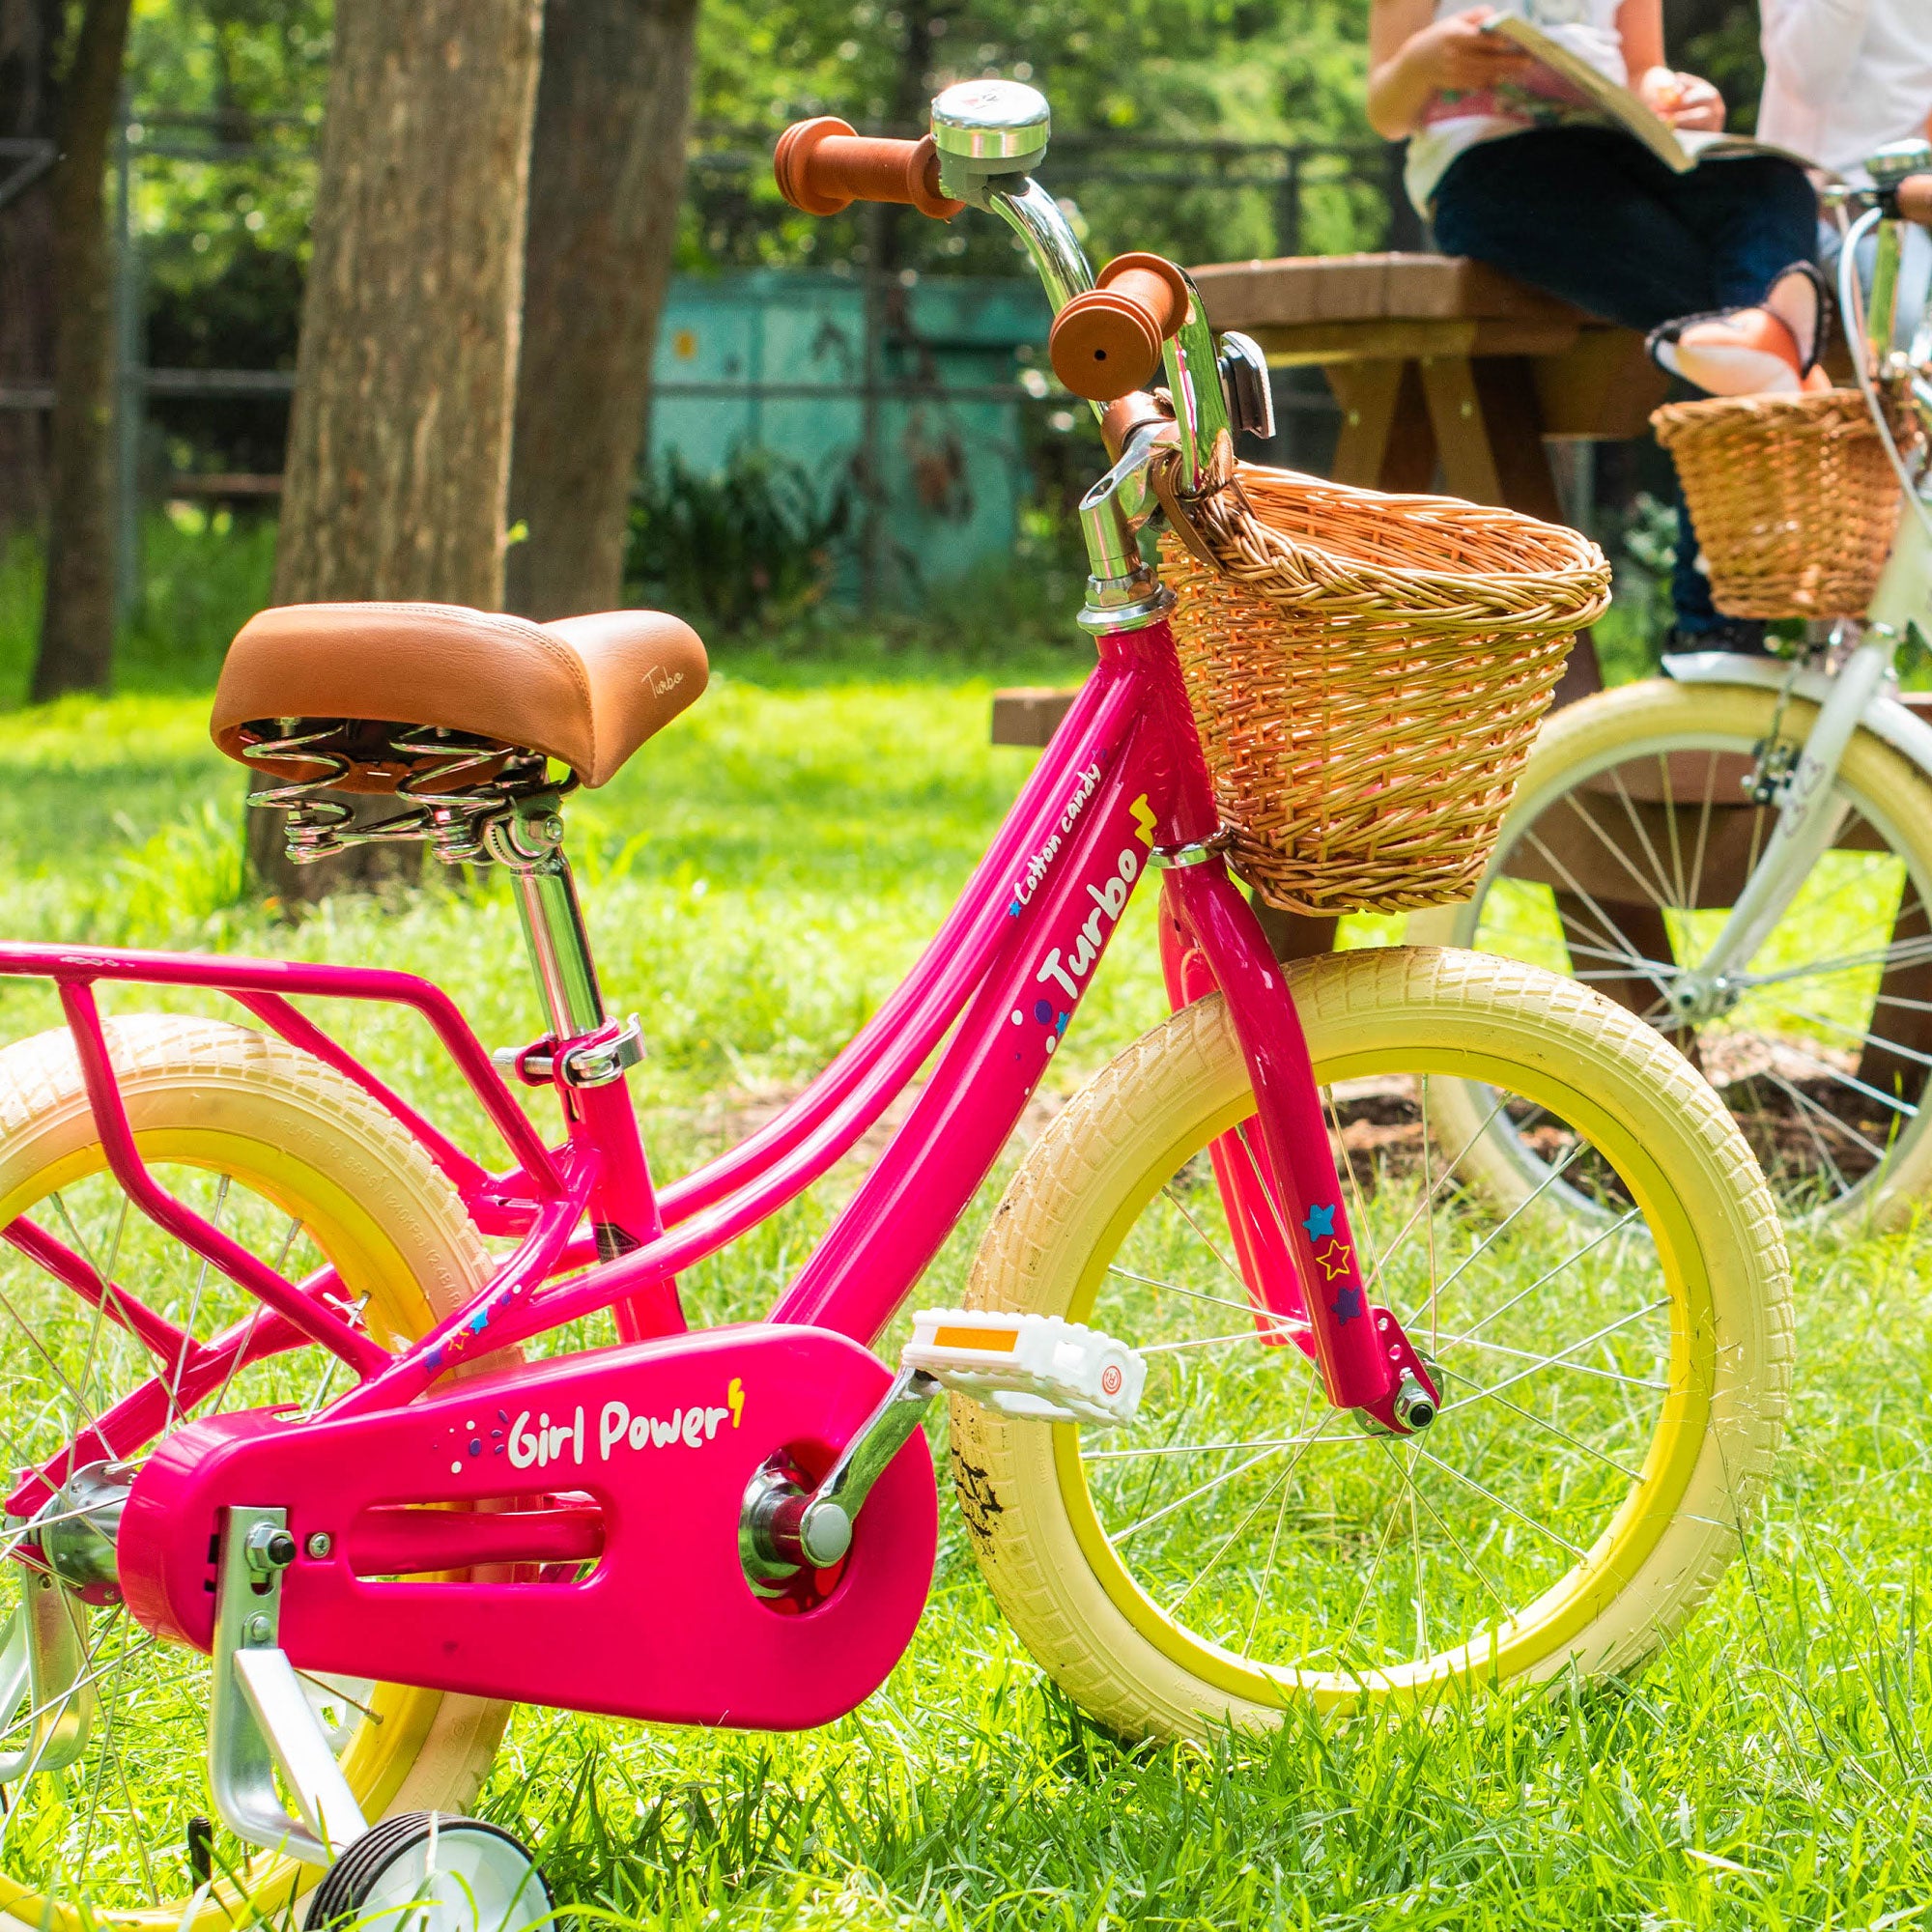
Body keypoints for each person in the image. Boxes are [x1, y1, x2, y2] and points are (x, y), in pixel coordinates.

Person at [1368, 0, 1821, 649]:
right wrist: (1421, 63)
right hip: (1493, 172)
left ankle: (1757, 352)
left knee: (1775, 184)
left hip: (1622, 158)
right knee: (1726, 315)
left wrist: (1682, 98)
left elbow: (1645, 73)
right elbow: (1386, 108)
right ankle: (1718, 625)